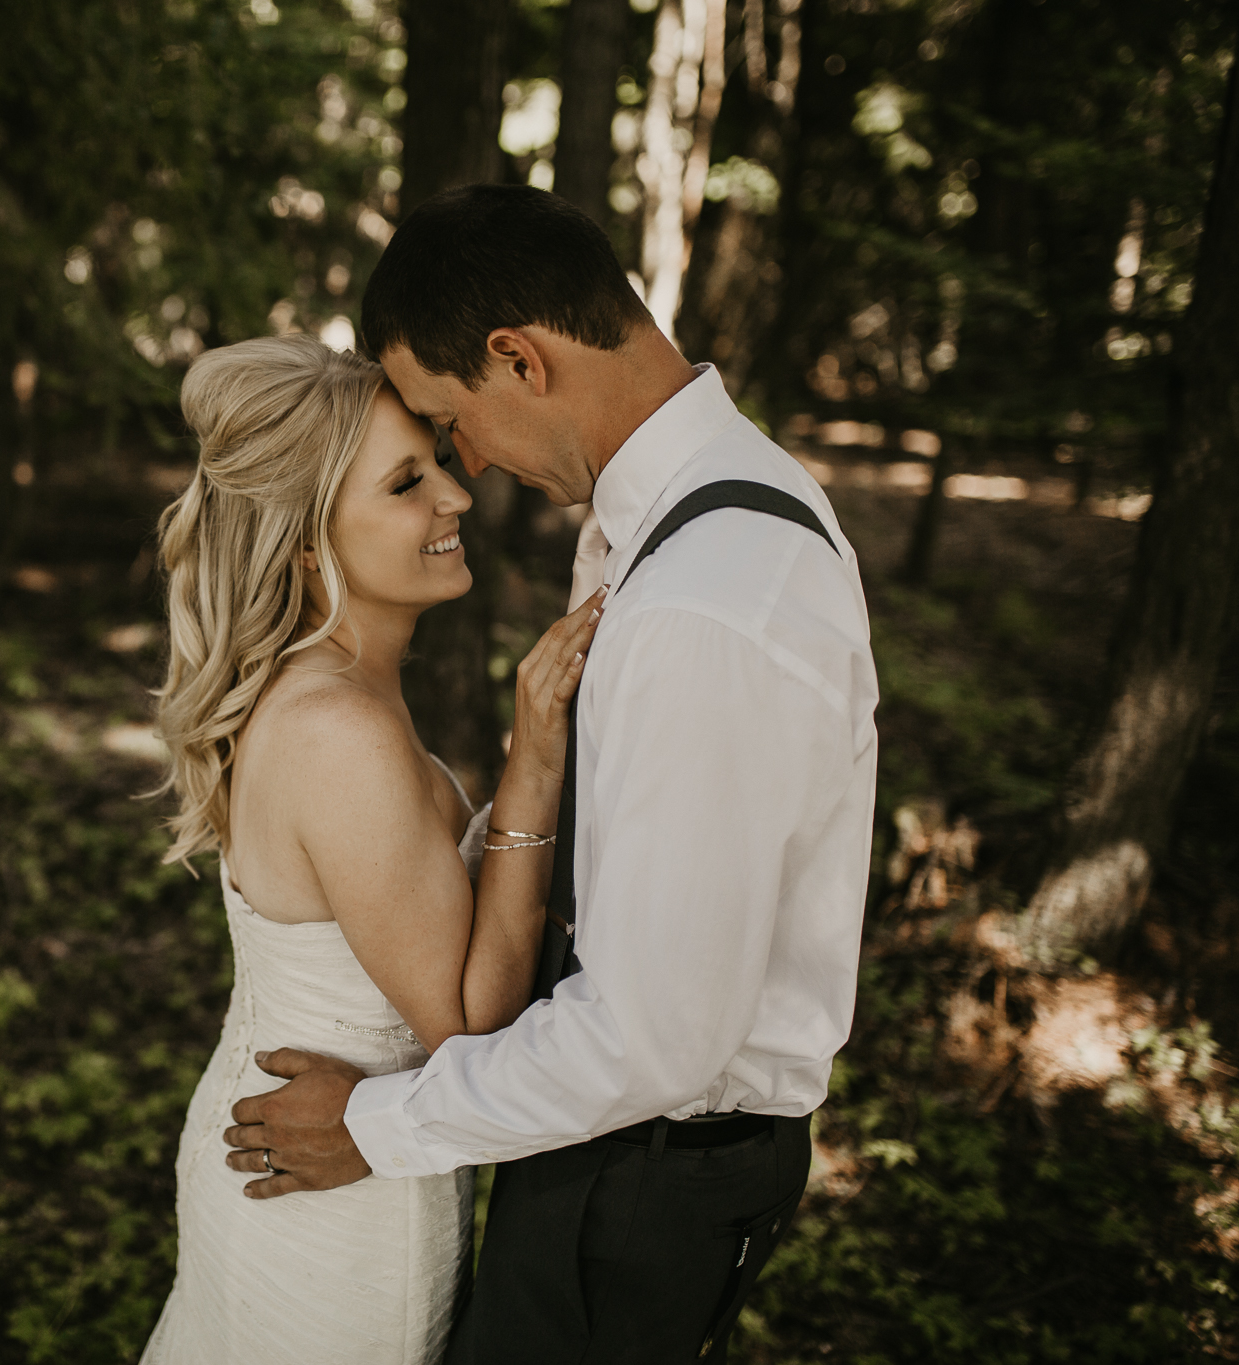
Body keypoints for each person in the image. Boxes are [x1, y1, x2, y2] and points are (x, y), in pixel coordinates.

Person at [219, 184, 879, 1363]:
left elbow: (649, 1037)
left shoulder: (701, 603)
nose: (462, 467)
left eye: (446, 419)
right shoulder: (681, 522)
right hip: (602, 1153)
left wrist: (373, 1125)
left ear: (517, 358)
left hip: (639, 1178)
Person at [138, 331, 606, 1365]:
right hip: (324, 1198)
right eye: (404, 483)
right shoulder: (334, 731)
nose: (453, 496)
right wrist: (531, 760)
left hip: (305, 1149)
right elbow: (469, 1022)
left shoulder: (335, 696)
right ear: (310, 549)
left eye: (435, 460)